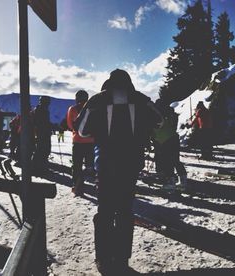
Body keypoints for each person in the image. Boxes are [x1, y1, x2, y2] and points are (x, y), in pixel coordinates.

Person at [73, 69, 160, 274]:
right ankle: (121, 259)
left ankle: (103, 259)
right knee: (124, 210)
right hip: (131, 163)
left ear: (108, 83)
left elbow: (82, 130)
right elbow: (159, 121)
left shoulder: (96, 101)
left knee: (104, 211)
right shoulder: (141, 99)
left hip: (105, 163)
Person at [67, 90, 96, 195]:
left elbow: (70, 125)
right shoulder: (92, 109)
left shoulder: (73, 109)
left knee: (77, 164)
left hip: (78, 141)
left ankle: (77, 185)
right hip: (91, 141)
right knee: (90, 164)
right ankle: (94, 182)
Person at [154, 104, 187, 193]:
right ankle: (183, 181)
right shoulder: (164, 116)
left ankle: (170, 182)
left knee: (167, 161)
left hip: (165, 140)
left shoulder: (154, 117)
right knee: (175, 160)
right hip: (173, 137)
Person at [29, 96, 53, 176]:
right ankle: (38, 168)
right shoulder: (41, 110)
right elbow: (42, 123)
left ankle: (38, 168)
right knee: (42, 151)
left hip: (42, 133)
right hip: (42, 134)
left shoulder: (40, 110)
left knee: (42, 151)